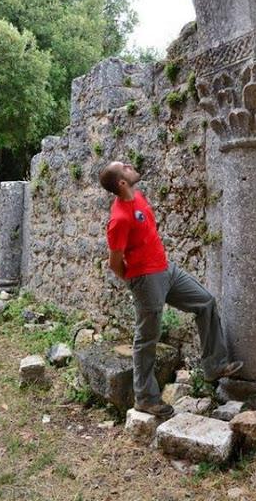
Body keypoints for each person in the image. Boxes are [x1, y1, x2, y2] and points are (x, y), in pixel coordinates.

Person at [99, 160, 243, 418]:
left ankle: (214, 365)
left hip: (167, 270)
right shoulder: (119, 219)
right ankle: (145, 398)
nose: (132, 166)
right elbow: (114, 262)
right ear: (121, 182)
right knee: (147, 339)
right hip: (146, 279)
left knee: (205, 302)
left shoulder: (139, 197)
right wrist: (135, 281)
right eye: (126, 167)